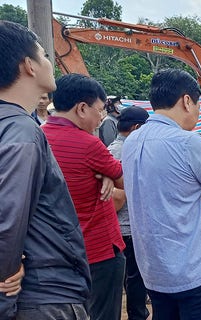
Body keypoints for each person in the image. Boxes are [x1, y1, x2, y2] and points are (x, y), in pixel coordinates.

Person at [122, 68, 201, 320]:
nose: (198, 113)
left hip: (155, 273)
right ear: (187, 101)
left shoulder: (131, 142)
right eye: (198, 105)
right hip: (196, 273)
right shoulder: (188, 142)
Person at [0, 20, 91, 320]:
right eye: (44, 54)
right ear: (29, 65)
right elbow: (7, 221)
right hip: (42, 297)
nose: (49, 61)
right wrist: (4, 295)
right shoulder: (21, 132)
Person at [42, 74, 126, 320]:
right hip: (99, 251)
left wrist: (106, 173)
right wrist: (109, 175)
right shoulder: (89, 145)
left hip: (57, 253)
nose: (101, 118)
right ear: (81, 108)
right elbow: (125, 180)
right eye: (99, 111)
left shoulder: (38, 135)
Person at [107, 106, 150, 320]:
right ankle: (138, 315)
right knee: (135, 277)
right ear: (137, 128)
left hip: (115, 226)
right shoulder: (127, 151)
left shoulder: (109, 148)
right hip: (129, 225)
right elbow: (121, 193)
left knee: (125, 277)